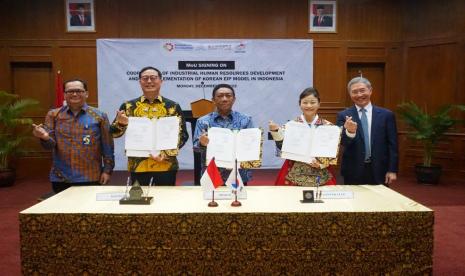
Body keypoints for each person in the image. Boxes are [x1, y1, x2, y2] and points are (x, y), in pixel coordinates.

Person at [32, 78, 115, 193]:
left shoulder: (99, 116)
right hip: (61, 177)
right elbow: (49, 146)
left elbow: (107, 146)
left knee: (89, 210)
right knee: (61, 210)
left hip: (90, 176)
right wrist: (44, 137)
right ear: (64, 95)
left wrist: (107, 171)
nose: (74, 94)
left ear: (86, 94)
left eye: (79, 91)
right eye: (70, 91)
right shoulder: (54, 115)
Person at [111, 66, 188, 186]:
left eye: (153, 78)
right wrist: (121, 123)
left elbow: (183, 135)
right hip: (138, 166)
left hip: (166, 165)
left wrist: (165, 154)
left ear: (161, 81)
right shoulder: (128, 106)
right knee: (140, 202)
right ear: (140, 82)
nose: (149, 81)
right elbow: (114, 133)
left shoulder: (173, 106)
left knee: (167, 201)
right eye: (145, 78)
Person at [336, 76, 398, 185]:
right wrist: (350, 132)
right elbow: (342, 142)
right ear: (350, 94)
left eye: (362, 90)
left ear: (370, 90)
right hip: (353, 170)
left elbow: (393, 145)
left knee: (379, 201)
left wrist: (392, 170)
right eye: (355, 92)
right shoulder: (344, 116)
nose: (359, 95)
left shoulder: (386, 115)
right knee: (354, 201)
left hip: (380, 169)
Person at [269, 87, 337, 186]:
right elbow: (281, 149)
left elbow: (332, 152)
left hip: (320, 170)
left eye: (312, 102)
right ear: (300, 104)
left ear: (319, 104)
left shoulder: (328, 126)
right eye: (305, 102)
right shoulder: (291, 125)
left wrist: (321, 164)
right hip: (293, 170)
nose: (309, 106)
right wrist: (275, 131)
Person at [193, 83, 256, 184]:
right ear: (213, 100)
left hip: (238, 174)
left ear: (234, 99)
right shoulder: (203, 121)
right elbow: (196, 148)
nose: (224, 99)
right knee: (212, 200)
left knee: (238, 200)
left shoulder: (246, 120)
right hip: (212, 174)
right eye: (220, 96)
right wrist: (202, 143)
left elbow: (252, 145)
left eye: (228, 95)